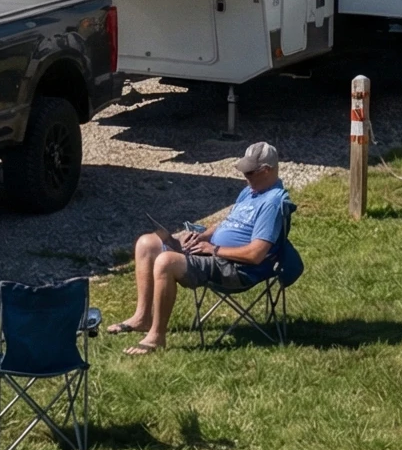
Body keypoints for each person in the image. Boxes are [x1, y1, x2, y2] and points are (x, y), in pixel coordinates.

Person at [112, 141, 289, 355]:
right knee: (146, 244)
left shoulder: (272, 203)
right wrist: (201, 236)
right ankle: (142, 317)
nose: (245, 177)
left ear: (267, 171)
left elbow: (255, 254)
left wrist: (213, 250)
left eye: (250, 172)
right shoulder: (250, 191)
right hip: (213, 252)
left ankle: (156, 336)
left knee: (166, 262)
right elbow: (229, 222)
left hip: (235, 268)